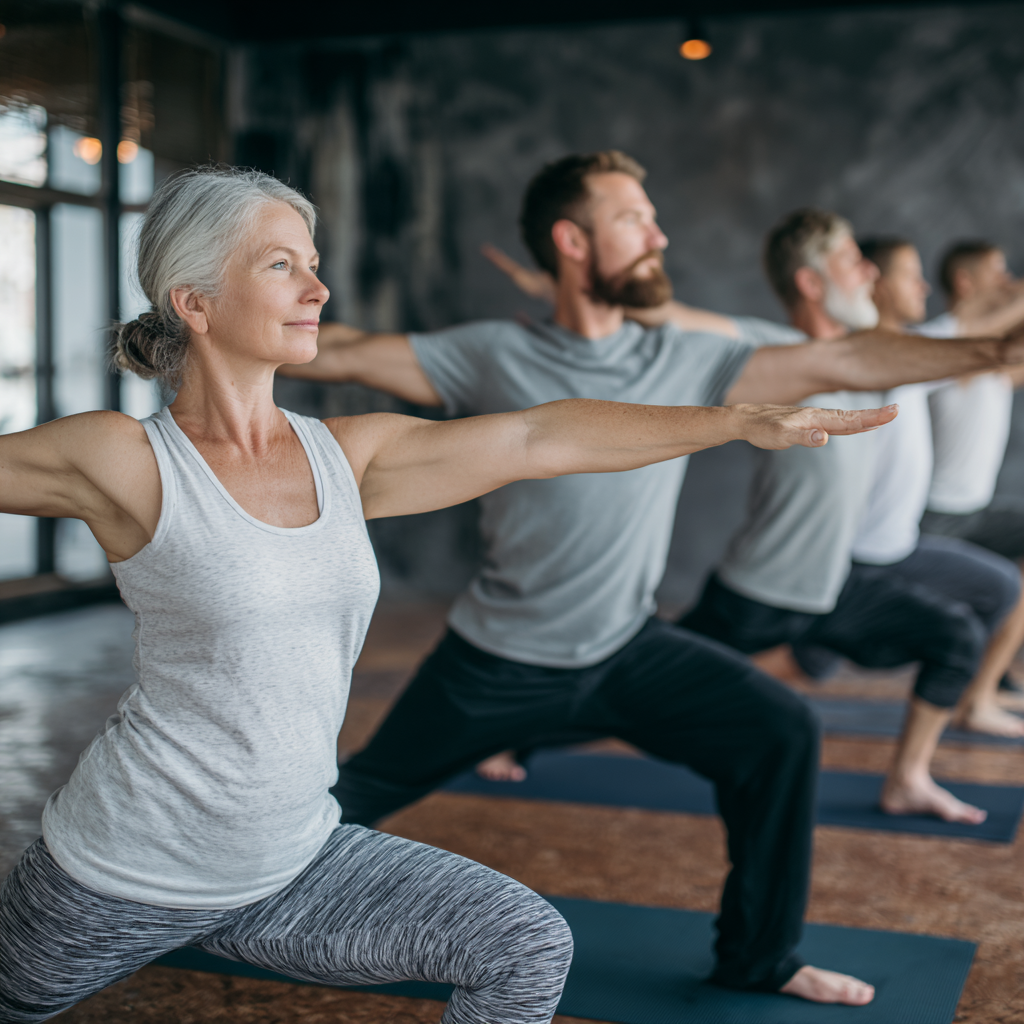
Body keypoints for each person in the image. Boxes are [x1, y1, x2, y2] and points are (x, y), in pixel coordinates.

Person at [0, 167, 881, 1024]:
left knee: (525, 946)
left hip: (293, 862)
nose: (319, 287)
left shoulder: (348, 457)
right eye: (282, 265)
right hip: (119, 872)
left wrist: (731, 423)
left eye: (313, 262)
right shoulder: (124, 458)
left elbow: (543, 435)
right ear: (194, 301)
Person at [281, 151, 1024, 1005]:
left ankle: (760, 958)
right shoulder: (487, 353)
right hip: (496, 660)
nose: (657, 233)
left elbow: (849, 359)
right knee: (346, 802)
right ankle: (205, 889)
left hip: (627, 647)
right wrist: (201, 325)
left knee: (779, 734)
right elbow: (338, 351)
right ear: (572, 240)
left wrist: (994, 348)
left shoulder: (687, 355)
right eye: (634, 218)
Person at [681, 212, 1020, 827]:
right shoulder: (778, 354)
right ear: (811, 282)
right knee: (636, 676)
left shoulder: (874, 360)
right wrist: (622, 307)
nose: (866, 269)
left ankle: (908, 779)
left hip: (830, 584)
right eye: (850, 261)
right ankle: (530, 732)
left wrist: (1001, 341)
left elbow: (971, 345)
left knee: (952, 638)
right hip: (760, 586)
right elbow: (693, 324)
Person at [837, 238, 1024, 738]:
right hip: (933, 516)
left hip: (955, 515)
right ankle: (978, 692)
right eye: (998, 274)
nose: (1007, 284)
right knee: (806, 658)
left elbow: (1008, 351)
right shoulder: (925, 343)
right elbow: (985, 330)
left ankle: (987, 683)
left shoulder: (958, 349)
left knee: (998, 589)